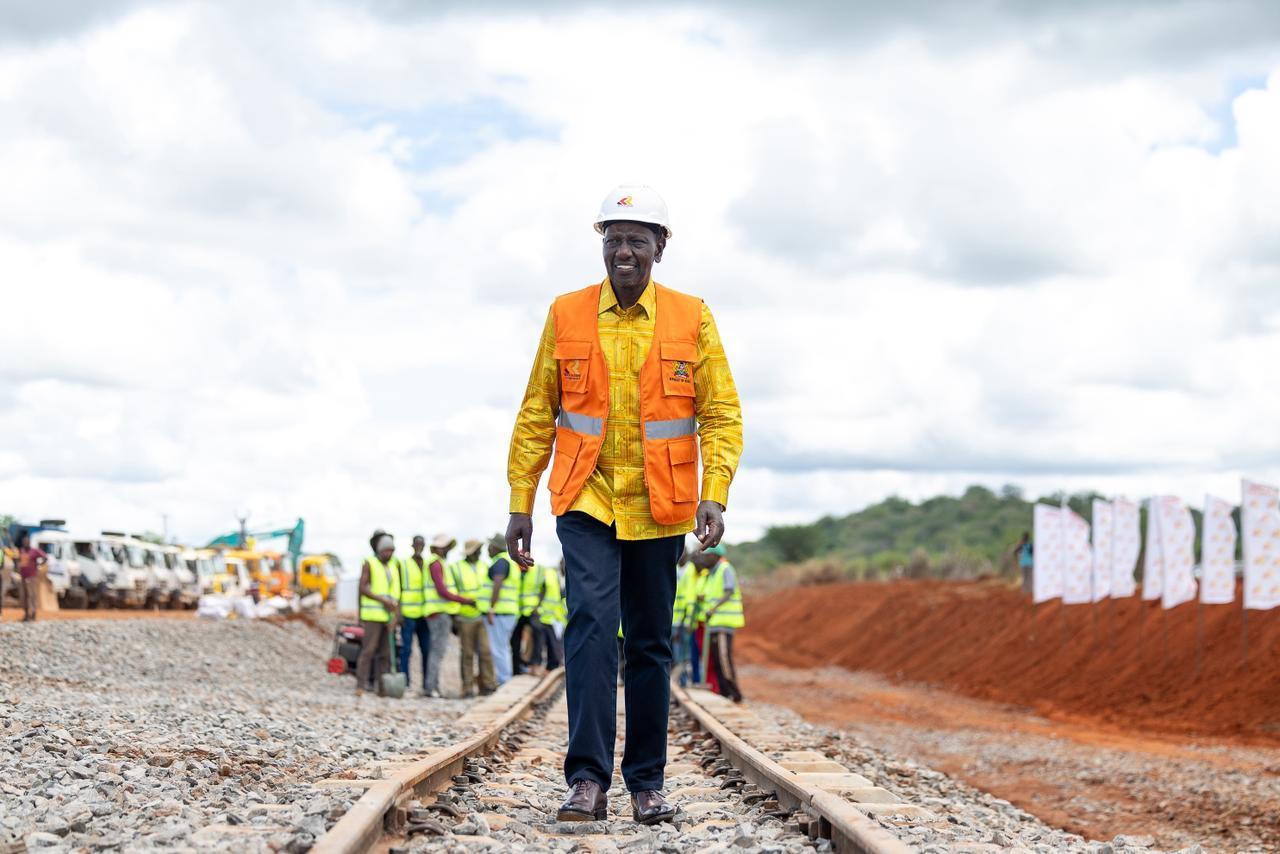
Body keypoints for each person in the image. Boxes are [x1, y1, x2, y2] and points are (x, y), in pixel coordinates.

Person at [505, 185, 743, 825]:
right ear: (602, 245)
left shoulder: (692, 316)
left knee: (649, 642)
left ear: (660, 248)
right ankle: (586, 780)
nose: (624, 252)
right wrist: (521, 500)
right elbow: (537, 411)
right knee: (588, 626)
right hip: (586, 496)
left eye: (638, 240)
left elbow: (721, 414)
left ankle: (646, 783)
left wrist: (714, 493)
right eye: (614, 240)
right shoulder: (567, 312)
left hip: (662, 503)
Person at [423, 534, 473, 698]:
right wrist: (464, 600)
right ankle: (431, 688)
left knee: (437, 651)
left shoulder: (438, 563)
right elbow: (442, 591)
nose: (447, 550)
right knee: (437, 651)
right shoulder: (436, 564)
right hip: (438, 613)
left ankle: (433, 687)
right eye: (445, 547)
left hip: (439, 612)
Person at [693, 545, 744, 703]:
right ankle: (724, 692)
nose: (704, 558)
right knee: (716, 658)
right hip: (714, 623)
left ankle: (735, 693)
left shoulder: (725, 569)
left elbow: (729, 591)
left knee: (723, 658)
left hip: (723, 622)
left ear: (715, 556)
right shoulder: (711, 573)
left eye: (707, 555)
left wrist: (713, 608)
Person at [449, 538, 497, 696]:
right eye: (477, 550)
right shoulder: (456, 567)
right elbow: (452, 592)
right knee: (467, 654)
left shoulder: (485, 566)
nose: (480, 552)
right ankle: (468, 687)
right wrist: (455, 615)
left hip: (482, 616)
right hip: (465, 617)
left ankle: (488, 685)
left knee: (486, 652)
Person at [356, 531, 401, 696]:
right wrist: (383, 601)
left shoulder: (394, 566)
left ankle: (383, 688)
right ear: (380, 550)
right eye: (386, 551)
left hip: (389, 617)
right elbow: (362, 587)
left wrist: (396, 616)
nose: (389, 554)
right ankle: (360, 685)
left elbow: (398, 594)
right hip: (373, 616)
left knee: (386, 654)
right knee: (368, 650)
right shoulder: (370, 563)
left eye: (391, 551)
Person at [484, 535, 522, 685]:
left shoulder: (500, 562)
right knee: (503, 647)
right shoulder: (509, 561)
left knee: (498, 648)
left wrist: (491, 608)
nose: (488, 549)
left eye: (490, 546)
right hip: (508, 612)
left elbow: (497, 584)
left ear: (495, 547)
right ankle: (505, 678)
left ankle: (504, 680)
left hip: (501, 612)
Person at [398, 536, 432, 694]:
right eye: (417, 544)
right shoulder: (404, 564)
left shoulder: (427, 564)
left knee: (426, 650)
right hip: (408, 614)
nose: (419, 547)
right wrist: (398, 612)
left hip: (424, 615)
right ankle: (405, 683)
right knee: (406, 650)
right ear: (412, 545)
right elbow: (398, 589)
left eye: (422, 544)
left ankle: (427, 684)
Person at [15, 532, 47, 623]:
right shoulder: (21, 551)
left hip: (32, 577)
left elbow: (45, 557)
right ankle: (26, 614)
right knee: (24, 596)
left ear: (29, 542)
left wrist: (39, 565)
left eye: (26, 541)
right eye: (24, 541)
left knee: (32, 595)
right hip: (23, 576)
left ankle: (33, 614)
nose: (25, 543)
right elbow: (19, 561)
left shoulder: (34, 551)